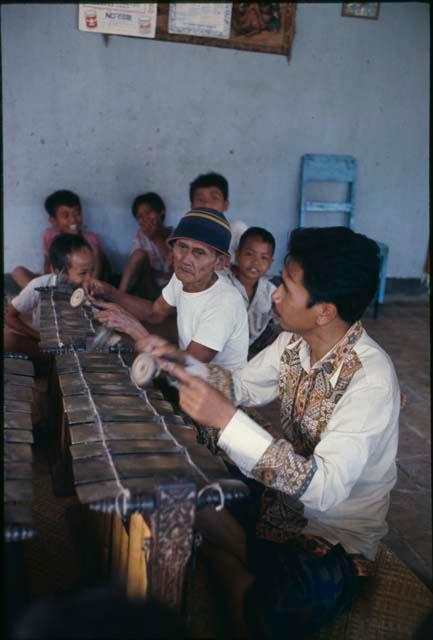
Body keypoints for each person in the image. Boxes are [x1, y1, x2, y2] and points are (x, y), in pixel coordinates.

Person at [149, 226, 400, 638]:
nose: (274, 294)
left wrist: (228, 421)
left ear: (325, 310)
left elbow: (326, 489)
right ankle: (249, 561)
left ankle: (241, 565)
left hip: (334, 538)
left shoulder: (369, 381)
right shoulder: (293, 344)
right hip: (281, 504)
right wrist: (177, 362)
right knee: (188, 489)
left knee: (275, 611)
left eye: (286, 285)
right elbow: (242, 384)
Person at [91, 207, 249, 370]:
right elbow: (155, 313)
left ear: (220, 262)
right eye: (182, 247)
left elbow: (187, 366)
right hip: (189, 382)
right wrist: (111, 293)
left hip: (218, 391)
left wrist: (133, 328)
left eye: (199, 253)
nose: (186, 260)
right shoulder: (182, 278)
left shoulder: (225, 302)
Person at [5, 234, 95, 363]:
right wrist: (38, 336)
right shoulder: (40, 285)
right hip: (44, 348)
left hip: (75, 352)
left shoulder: (90, 290)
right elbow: (10, 316)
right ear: (58, 271)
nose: (90, 278)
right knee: (8, 340)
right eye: (83, 273)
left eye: (92, 271)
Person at [11, 190, 106, 289]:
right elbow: (48, 265)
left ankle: (80, 296)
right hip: (58, 281)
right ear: (53, 221)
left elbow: (93, 273)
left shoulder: (91, 239)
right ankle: (44, 298)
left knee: (94, 250)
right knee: (18, 272)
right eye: (66, 215)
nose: (73, 219)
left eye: (77, 213)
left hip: (83, 283)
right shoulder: (50, 235)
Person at [224, 226, 281, 359]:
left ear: (271, 263)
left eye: (263, 258)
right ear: (237, 255)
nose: (255, 262)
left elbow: (280, 326)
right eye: (249, 254)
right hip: (220, 352)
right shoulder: (224, 284)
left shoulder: (271, 292)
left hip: (252, 354)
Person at [119, 192, 173, 300]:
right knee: (139, 254)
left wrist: (156, 238)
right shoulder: (140, 236)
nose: (145, 219)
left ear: (161, 212)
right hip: (148, 287)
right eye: (140, 216)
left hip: (171, 290)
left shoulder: (176, 236)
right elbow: (135, 266)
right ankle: (118, 297)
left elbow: (174, 269)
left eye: (149, 212)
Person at [189, 172, 247, 267]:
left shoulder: (237, 229)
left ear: (225, 205)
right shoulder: (184, 231)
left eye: (214, 198)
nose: (207, 204)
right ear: (192, 206)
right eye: (200, 199)